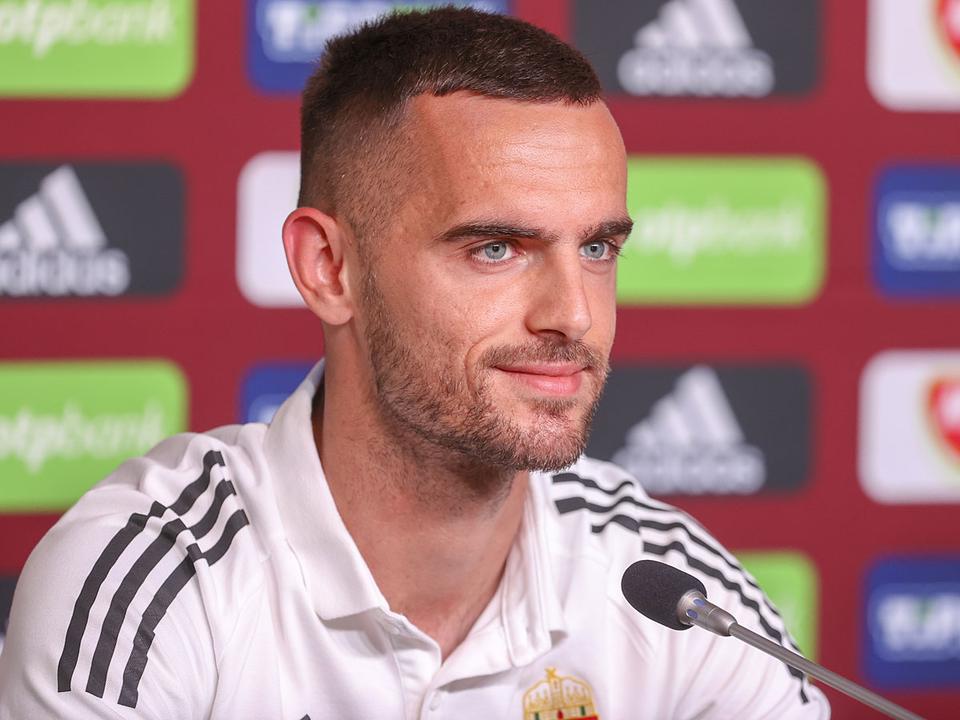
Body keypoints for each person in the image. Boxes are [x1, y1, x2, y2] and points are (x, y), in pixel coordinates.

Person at [0, 8, 829, 719]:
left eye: (598, 248)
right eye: (497, 247)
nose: (574, 314)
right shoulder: (148, 586)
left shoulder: (679, 600)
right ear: (329, 268)